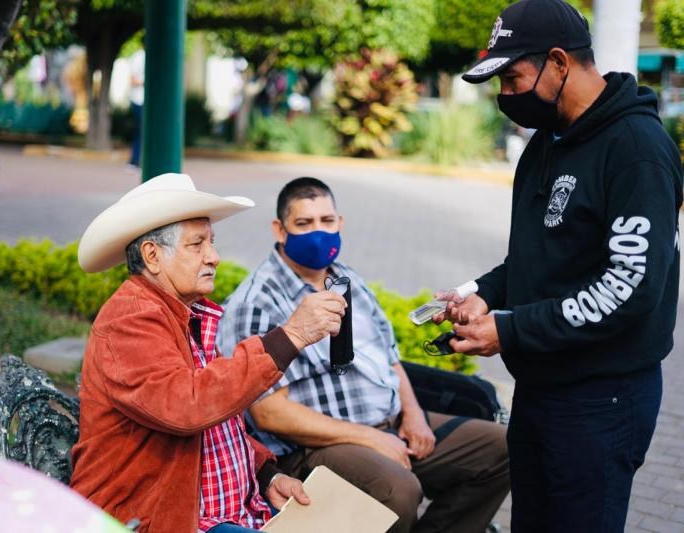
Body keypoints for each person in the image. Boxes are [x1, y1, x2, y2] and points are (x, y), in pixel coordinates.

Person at [442, 0, 683, 531]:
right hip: (541, 387)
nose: (506, 96)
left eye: (512, 78)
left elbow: (629, 286)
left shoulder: (636, 151)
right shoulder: (547, 142)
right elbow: (539, 257)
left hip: (602, 399)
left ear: (558, 62)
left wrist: (509, 329)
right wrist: (484, 293)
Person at [217, 177, 510, 533]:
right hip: (315, 447)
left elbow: (390, 357)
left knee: (501, 448)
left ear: (340, 223)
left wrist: (413, 414)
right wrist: (367, 437)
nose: (318, 233)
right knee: (396, 490)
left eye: (327, 221)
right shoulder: (257, 302)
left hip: (390, 425)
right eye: (304, 223)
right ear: (280, 230)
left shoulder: (345, 279)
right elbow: (269, 413)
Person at [70, 173, 348, 533]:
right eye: (197, 245)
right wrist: (292, 335)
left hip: (228, 512)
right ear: (152, 256)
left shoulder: (184, 313)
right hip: (160, 521)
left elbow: (220, 426)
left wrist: (266, 475)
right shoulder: (130, 318)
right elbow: (187, 406)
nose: (214, 257)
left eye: (211, 242)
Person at [128, 48, 144, 169]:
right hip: (139, 100)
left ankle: (139, 160)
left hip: (145, 101)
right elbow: (132, 79)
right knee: (141, 131)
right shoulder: (139, 56)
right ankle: (134, 161)